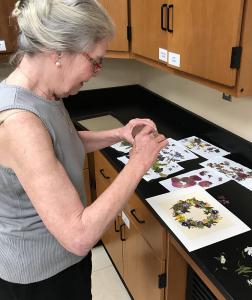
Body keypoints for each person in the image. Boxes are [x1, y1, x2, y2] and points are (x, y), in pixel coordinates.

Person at [0, 0, 168, 299]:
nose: (97, 71)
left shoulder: (45, 95)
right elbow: (78, 236)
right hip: (40, 277)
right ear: (59, 52)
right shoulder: (19, 123)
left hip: (64, 263)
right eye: (95, 60)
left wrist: (119, 133)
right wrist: (138, 163)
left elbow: (62, 145)